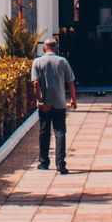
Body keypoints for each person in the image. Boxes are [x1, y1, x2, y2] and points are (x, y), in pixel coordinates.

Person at [31, 37, 76, 173]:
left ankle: (44, 162)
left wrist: (40, 102)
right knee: (60, 132)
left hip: (45, 103)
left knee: (44, 132)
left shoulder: (37, 62)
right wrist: (73, 99)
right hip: (59, 102)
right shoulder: (63, 61)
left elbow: (35, 83)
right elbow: (70, 82)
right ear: (56, 48)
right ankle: (60, 163)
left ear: (44, 48)